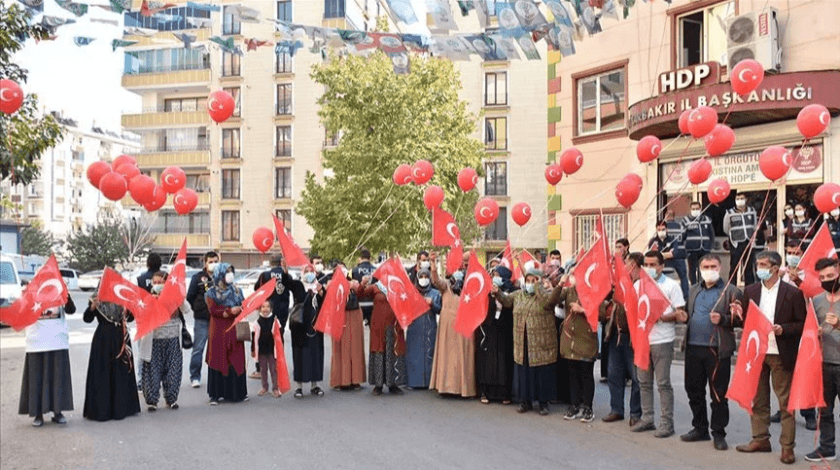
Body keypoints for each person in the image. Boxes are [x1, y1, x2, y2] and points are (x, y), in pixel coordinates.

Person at [733, 251, 807, 465]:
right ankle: (760, 439)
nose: (759, 268)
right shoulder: (751, 290)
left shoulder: (791, 293)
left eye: (764, 264)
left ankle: (787, 447)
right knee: (759, 400)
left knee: (785, 403)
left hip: (780, 352)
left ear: (775, 268)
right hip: (756, 353)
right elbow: (744, 321)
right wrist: (736, 314)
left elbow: (802, 324)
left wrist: (783, 329)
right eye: (758, 264)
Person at [675, 254, 742, 451]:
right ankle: (700, 427)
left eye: (713, 266)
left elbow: (740, 319)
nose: (709, 269)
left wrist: (723, 319)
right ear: (700, 268)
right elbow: (689, 314)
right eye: (706, 266)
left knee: (718, 394)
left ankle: (719, 433)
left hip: (717, 350)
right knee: (693, 390)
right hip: (693, 347)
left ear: (720, 267)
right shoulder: (694, 289)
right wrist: (683, 316)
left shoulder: (731, 291)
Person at [632, 251, 685, 438]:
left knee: (663, 383)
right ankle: (647, 418)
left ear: (661, 266)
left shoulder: (671, 286)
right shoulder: (638, 285)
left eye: (653, 264)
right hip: (642, 340)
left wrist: (662, 316)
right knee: (643, 383)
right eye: (646, 264)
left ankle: (666, 423)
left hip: (662, 340)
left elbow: (680, 313)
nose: (649, 268)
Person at [493, 268, 557, 416]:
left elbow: (548, 303)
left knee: (541, 373)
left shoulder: (546, 295)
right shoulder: (519, 295)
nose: (530, 284)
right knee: (524, 372)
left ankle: (543, 403)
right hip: (522, 340)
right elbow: (507, 301)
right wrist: (498, 293)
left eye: (533, 281)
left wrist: (538, 287)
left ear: (539, 281)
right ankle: (525, 401)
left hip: (541, 342)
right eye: (528, 281)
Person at [82, 292, 140, 421]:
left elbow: (130, 318)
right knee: (102, 373)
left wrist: (130, 308)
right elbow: (87, 318)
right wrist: (92, 307)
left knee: (122, 371)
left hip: (121, 336)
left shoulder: (123, 298)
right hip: (103, 339)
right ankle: (102, 410)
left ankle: (122, 408)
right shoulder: (96, 297)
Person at [19, 297, 76, 427]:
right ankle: (38, 414)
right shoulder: (32, 291)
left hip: (57, 340)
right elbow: (23, 313)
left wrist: (67, 298)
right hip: (37, 341)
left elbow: (71, 310)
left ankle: (58, 412)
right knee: (36, 378)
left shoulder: (59, 289)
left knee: (57, 377)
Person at [601, 252, 643, 427]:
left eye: (626, 264)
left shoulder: (641, 285)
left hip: (633, 337)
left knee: (636, 377)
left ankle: (636, 413)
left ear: (633, 265)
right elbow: (605, 301)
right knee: (614, 374)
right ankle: (616, 409)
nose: (624, 267)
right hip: (616, 336)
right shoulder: (619, 283)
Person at [549, 272, 598, 423]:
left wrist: (583, 310)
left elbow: (601, 314)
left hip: (586, 339)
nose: (574, 277)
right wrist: (559, 285)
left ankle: (588, 408)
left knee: (586, 375)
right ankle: (574, 405)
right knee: (572, 376)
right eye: (573, 274)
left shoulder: (593, 291)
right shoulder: (569, 291)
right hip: (570, 340)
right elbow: (551, 302)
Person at [805, 258, 840, 462]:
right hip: (824, 364)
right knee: (824, 411)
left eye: (831, 276)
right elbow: (809, 331)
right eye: (823, 277)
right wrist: (814, 332)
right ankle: (827, 448)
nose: (827, 280)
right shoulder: (817, 301)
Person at [429, 252, 476, 398]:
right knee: (447, 356)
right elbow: (436, 281)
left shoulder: (470, 285)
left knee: (463, 356)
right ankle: (445, 387)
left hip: (464, 325)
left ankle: (463, 389)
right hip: (447, 326)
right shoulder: (446, 286)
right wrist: (433, 264)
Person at [141, 271, 189, 411]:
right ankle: (152, 401)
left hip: (173, 339)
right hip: (154, 340)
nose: (157, 285)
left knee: (173, 370)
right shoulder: (148, 298)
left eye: (160, 282)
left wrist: (178, 297)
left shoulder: (174, 296)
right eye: (154, 283)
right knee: (152, 372)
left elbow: (187, 309)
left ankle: (171, 399)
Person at [204, 263, 248, 405]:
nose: (230, 274)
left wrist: (241, 309)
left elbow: (243, 305)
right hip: (218, 330)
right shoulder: (211, 292)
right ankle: (216, 395)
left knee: (235, 358)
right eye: (227, 272)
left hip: (234, 328)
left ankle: (237, 393)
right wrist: (229, 311)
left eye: (231, 271)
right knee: (218, 358)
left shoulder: (237, 290)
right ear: (220, 274)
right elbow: (213, 310)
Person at [281, 261, 326, 398]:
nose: (308, 274)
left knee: (315, 355)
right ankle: (299, 387)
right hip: (299, 326)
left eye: (310, 271)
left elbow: (324, 305)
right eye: (306, 271)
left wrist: (322, 292)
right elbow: (286, 283)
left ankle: (315, 385)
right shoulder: (298, 285)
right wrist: (285, 272)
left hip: (315, 326)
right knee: (300, 355)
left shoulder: (319, 286)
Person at [359, 275, 407, 395]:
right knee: (379, 351)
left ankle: (393, 384)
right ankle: (378, 385)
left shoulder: (398, 286)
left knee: (393, 352)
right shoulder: (375, 287)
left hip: (394, 324)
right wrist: (362, 283)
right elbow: (360, 294)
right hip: (378, 326)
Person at [476, 265, 516, 404]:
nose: (495, 277)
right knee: (488, 363)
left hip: (505, 331)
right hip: (489, 330)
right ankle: (486, 392)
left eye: (498, 274)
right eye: (493, 275)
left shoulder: (512, 291)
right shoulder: (487, 291)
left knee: (504, 362)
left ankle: (505, 394)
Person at [330, 263, 366, 390]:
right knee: (340, 348)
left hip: (354, 314)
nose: (342, 271)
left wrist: (361, 284)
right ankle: (341, 380)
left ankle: (356, 380)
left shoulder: (353, 282)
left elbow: (361, 292)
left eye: (344, 268)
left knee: (355, 347)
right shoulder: (331, 283)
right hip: (339, 315)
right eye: (339, 269)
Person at [187, 251, 219, 388]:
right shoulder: (198, 278)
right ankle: (195, 376)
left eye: (215, 261)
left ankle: (218, 376)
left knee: (218, 349)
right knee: (198, 348)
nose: (213, 264)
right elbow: (190, 297)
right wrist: (199, 309)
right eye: (210, 262)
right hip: (202, 319)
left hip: (218, 319)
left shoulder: (222, 277)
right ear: (205, 263)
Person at [406, 267, 442, 390]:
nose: (424, 279)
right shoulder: (411, 293)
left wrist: (432, 304)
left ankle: (429, 382)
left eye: (426, 277)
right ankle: (413, 382)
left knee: (429, 354)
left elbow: (440, 310)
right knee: (414, 354)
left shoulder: (435, 293)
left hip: (429, 328)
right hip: (414, 327)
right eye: (421, 277)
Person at [723, 193, 761, 285]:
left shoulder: (752, 211)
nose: (740, 200)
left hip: (748, 242)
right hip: (736, 243)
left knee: (748, 267)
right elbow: (725, 228)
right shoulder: (730, 212)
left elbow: (754, 226)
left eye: (742, 198)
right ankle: (732, 288)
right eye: (738, 198)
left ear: (746, 199)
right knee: (734, 267)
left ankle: (750, 288)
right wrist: (734, 235)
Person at [647, 219, 689, 299]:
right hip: (657, 269)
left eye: (663, 229)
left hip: (671, 266)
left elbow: (673, 254)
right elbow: (652, 256)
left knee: (681, 266)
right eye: (659, 229)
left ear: (667, 229)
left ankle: (685, 297)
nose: (661, 231)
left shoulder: (673, 239)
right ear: (656, 230)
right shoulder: (653, 241)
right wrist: (665, 254)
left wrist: (660, 254)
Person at [253, 300, 283, 398]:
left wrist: (280, 348)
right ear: (260, 309)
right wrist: (253, 350)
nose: (265, 309)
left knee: (273, 369)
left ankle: (275, 388)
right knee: (263, 369)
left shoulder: (275, 321)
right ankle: (264, 387)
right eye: (263, 307)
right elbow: (254, 338)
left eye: (267, 307)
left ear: (271, 309)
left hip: (271, 350)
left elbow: (279, 335)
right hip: (261, 350)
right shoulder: (257, 322)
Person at [682, 201, 715, 286]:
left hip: (705, 249)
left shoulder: (707, 219)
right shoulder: (686, 220)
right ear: (690, 210)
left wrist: (710, 246)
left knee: (704, 268)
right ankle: (694, 286)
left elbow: (711, 234)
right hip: (691, 249)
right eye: (693, 209)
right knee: (692, 270)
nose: (695, 210)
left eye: (697, 208)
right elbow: (681, 236)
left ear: (700, 209)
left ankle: (703, 285)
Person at [352, 249, 377, 324]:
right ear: (370, 258)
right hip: (373, 304)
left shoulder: (353, 271)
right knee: (373, 331)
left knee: (358, 331)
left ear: (360, 258)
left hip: (357, 304)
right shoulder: (376, 270)